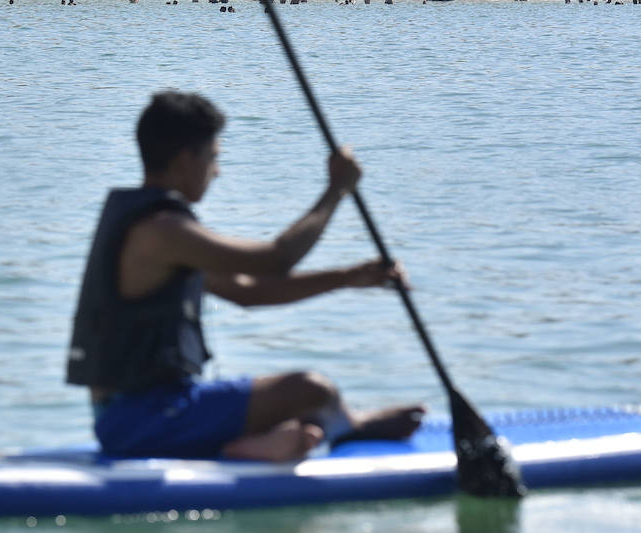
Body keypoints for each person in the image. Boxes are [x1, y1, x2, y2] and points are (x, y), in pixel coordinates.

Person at [67, 91, 426, 463]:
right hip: (143, 421)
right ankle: (286, 439)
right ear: (186, 158)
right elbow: (276, 259)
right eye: (213, 158)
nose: (216, 171)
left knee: (304, 397)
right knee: (313, 389)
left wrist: (349, 276)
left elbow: (248, 291)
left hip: (142, 415)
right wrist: (336, 190)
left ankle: (288, 436)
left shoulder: (154, 226)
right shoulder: (163, 230)